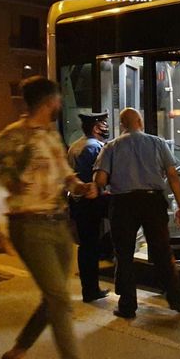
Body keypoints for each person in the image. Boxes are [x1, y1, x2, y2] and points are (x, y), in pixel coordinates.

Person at [0, 76, 110, 359]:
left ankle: (16, 354)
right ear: (48, 101)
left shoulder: (51, 136)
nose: (60, 103)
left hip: (59, 226)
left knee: (53, 298)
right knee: (59, 298)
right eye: (57, 98)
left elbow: (65, 176)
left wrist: (81, 187)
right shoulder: (13, 137)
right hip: (29, 226)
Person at [94, 108, 180, 319]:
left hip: (122, 204)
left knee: (124, 255)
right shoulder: (158, 143)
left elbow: (100, 180)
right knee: (162, 251)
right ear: (140, 122)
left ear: (122, 125)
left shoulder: (111, 146)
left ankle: (128, 306)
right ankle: (176, 299)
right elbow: (173, 176)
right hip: (152, 202)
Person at [68, 112, 111, 302]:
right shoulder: (94, 147)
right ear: (95, 127)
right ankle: (92, 289)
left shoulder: (75, 146)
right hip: (90, 201)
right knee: (92, 246)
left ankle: (89, 288)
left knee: (86, 245)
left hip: (77, 201)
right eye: (103, 124)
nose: (106, 127)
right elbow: (95, 179)